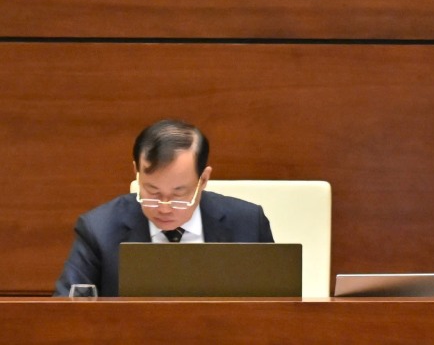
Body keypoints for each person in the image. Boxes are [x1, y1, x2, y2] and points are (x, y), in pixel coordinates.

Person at [54, 119, 273, 297]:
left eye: (178, 194)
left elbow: (280, 313)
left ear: (203, 179)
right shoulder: (98, 229)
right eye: (152, 192)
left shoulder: (248, 224)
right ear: (137, 173)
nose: (164, 208)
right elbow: (66, 315)